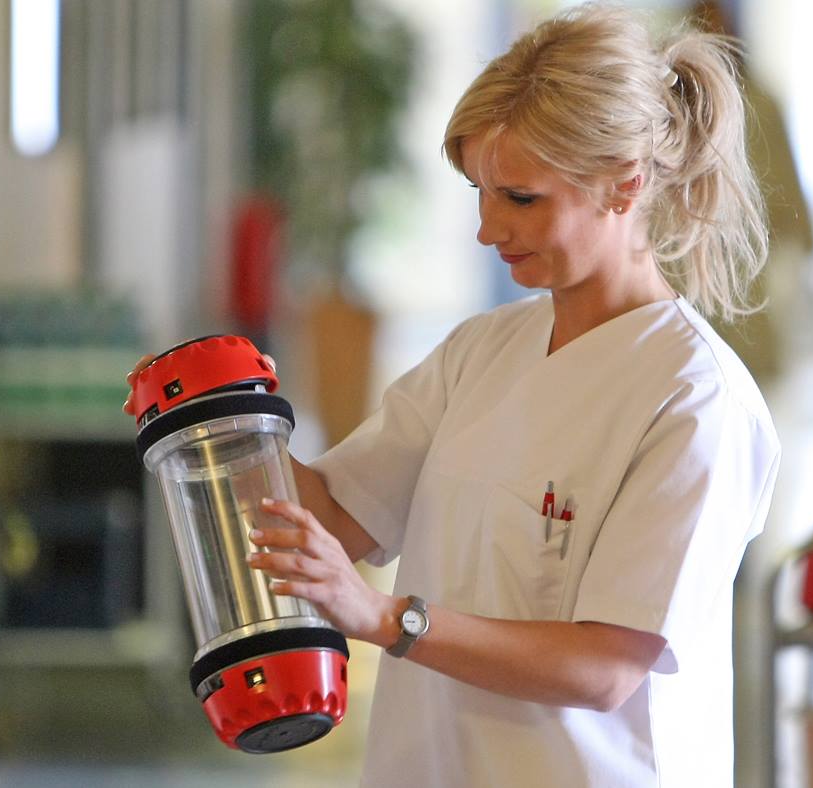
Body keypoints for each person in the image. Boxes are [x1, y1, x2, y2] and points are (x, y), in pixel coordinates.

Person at [126, 3, 779, 785]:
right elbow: (337, 517)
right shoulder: (482, 351)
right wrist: (234, 421)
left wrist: (384, 619)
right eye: (479, 191)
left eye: (521, 198)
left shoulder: (694, 402)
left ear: (624, 184)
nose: (487, 228)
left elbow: (605, 667)